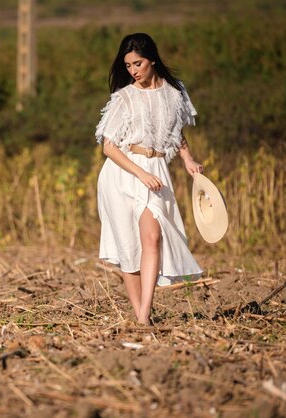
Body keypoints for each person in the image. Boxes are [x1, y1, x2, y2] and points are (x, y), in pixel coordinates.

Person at [95, 33, 204, 325]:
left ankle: (144, 312)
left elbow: (176, 132)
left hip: (155, 170)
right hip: (122, 174)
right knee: (129, 247)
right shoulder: (124, 98)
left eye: (138, 63)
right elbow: (109, 146)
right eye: (128, 65)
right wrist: (140, 173)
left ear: (152, 59)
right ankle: (142, 318)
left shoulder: (174, 93)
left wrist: (188, 159)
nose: (133, 70)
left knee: (153, 238)